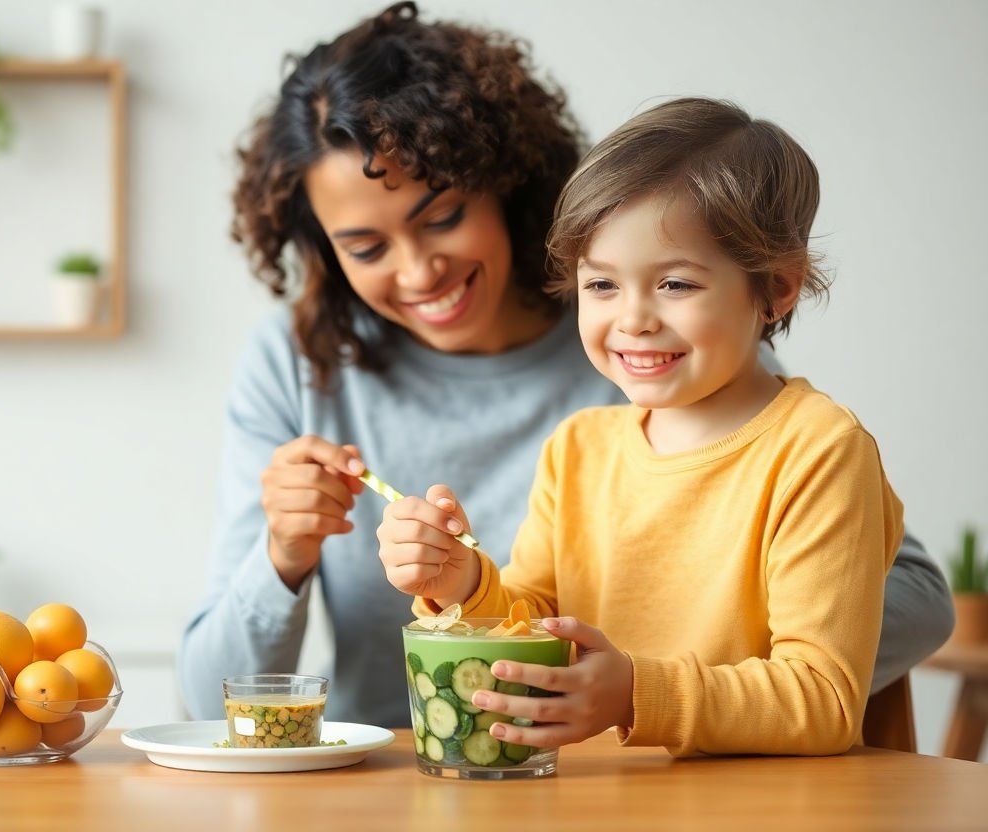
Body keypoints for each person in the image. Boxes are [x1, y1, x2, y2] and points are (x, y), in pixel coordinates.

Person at [178, 2, 953, 728]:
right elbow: (211, 699)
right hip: (436, 776)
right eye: (367, 247)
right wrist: (451, 584)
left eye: (443, 217)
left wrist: (646, 680)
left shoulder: (669, 365)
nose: (418, 273)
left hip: (635, 769)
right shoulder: (581, 437)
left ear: (503, 182)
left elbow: (891, 611)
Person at [378, 97, 904, 756]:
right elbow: (539, 626)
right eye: (601, 286)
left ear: (776, 286)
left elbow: (821, 699)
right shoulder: (578, 449)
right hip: (603, 804)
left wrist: (634, 693)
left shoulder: (818, 450)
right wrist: (461, 583)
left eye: (676, 285)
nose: (633, 319)